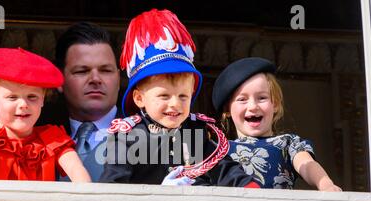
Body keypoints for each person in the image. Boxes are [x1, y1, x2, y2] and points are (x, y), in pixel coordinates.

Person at [99, 8, 259, 188]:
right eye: (164, 96)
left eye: (183, 96)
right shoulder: (126, 136)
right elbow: (112, 188)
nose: (175, 104)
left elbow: (225, 169)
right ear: (139, 98)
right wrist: (157, 195)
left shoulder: (195, 130)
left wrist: (251, 188)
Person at [212, 57, 342, 191]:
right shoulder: (218, 150)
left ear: (276, 104)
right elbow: (195, 176)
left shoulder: (288, 143)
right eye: (242, 99)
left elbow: (307, 164)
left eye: (262, 98)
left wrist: (325, 184)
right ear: (227, 109)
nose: (253, 106)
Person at [0, 47, 91, 182]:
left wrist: (88, 197)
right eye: (12, 97)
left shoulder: (52, 138)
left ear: (42, 99)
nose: (23, 104)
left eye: (32, 97)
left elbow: (75, 168)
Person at [54, 22, 121, 182]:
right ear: (59, 80)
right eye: (82, 71)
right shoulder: (38, 139)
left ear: (118, 79)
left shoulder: (151, 138)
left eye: (105, 70)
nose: (95, 79)